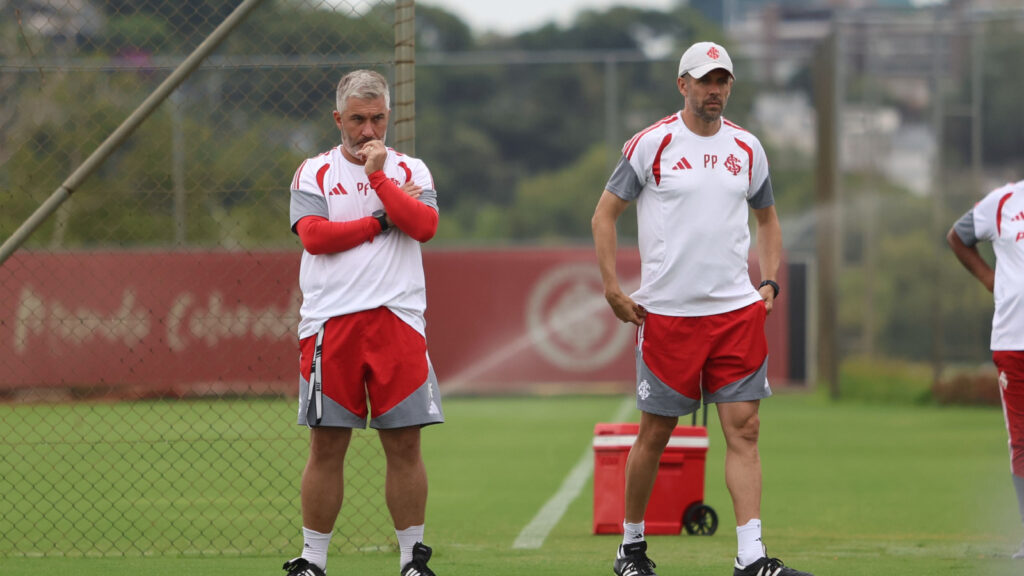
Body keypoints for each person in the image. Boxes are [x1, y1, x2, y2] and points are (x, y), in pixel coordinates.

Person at [591, 41, 814, 576]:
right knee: (656, 433)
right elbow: (604, 216)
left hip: (736, 316)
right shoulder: (651, 144)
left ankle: (751, 557)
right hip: (667, 316)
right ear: (682, 85)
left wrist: (767, 283)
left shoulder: (748, 148)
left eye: (723, 80)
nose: (714, 90)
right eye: (704, 80)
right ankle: (631, 547)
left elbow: (768, 220)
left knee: (745, 430)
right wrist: (613, 289)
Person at [283, 69, 444, 576]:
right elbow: (315, 236)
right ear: (338, 119)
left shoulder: (410, 169)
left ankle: (411, 558)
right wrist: (379, 220)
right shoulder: (314, 172)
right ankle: (313, 560)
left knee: (404, 444)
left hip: (398, 320)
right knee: (328, 444)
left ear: (388, 116)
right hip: (331, 324)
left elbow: (423, 225)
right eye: (357, 119)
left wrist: (379, 178)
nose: (368, 130)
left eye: (377, 119)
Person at [947, 179, 1024, 559]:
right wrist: (992, 281)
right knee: (1022, 443)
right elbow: (958, 237)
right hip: (1013, 342)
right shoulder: (1005, 201)